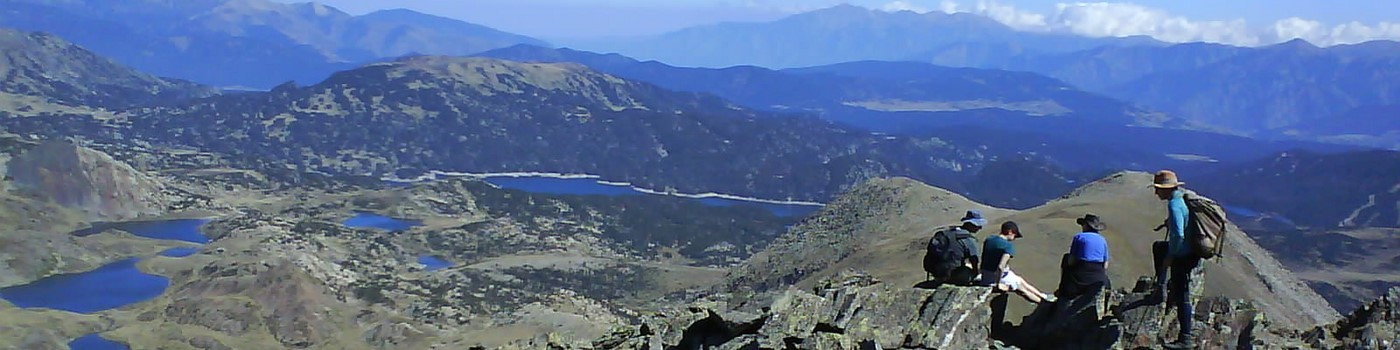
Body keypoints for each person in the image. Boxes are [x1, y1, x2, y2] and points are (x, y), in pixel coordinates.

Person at [1151, 170, 1200, 350]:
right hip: (1191, 253)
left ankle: (1185, 339)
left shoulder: (1174, 204)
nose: (1156, 193)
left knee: (1182, 294)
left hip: (1183, 255)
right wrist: (1167, 223)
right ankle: (1161, 288)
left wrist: (1171, 257)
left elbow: (1178, 234)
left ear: (1166, 189)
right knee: (1158, 247)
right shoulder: (1181, 200)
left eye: (1158, 189)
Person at [980, 221, 1057, 303]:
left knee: (1019, 279)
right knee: (1021, 289)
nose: (1014, 238)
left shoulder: (989, 239)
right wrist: (998, 285)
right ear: (1010, 232)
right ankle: (1044, 304)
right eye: (1015, 235)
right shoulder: (1007, 246)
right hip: (997, 277)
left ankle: (1043, 296)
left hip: (986, 274)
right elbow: (1000, 267)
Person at [1057, 214, 1110, 300]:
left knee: (1066, 258)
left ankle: (1063, 290)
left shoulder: (1079, 237)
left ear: (1086, 225)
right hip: (1098, 278)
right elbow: (1105, 265)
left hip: (1080, 277)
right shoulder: (1102, 240)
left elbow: (1071, 261)